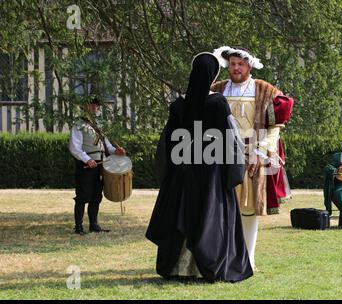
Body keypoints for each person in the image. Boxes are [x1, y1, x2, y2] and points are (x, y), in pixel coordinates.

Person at [145, 52, 253, 283]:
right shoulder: (217, 102)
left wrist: (170, 171)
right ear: (213, 75)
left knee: (181, 214)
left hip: (182, 172)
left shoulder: (179, 104)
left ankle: (178, 268)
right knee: (208, 217)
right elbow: (230, 138)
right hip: (211, 173)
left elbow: (168, 141)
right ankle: (206, 267)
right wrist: (234, 170)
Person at [211, 46, 293, 271]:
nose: (236, 68)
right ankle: (225, 257)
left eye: (240, 64)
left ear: (249, 65)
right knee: (222, 208)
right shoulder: (216, 89)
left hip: (252, 157)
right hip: (220, 156)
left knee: (248, 208)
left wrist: (260, 153)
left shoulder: (265, 90)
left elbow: (275, 127)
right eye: (233, 64)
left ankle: (248, 259)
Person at [69, 97, 126, 235]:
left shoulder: (100, 125)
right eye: (92, 105)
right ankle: (78, 227)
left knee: (96, 196)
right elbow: (74, 147)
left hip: (101, 164)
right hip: (86, 166)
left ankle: (94, 225)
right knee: (83, 196)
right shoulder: (78, 124)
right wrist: (87, 160)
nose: (94, 108)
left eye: (96, 106)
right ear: (86, 106)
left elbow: (106, 145)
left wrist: (115, 151)